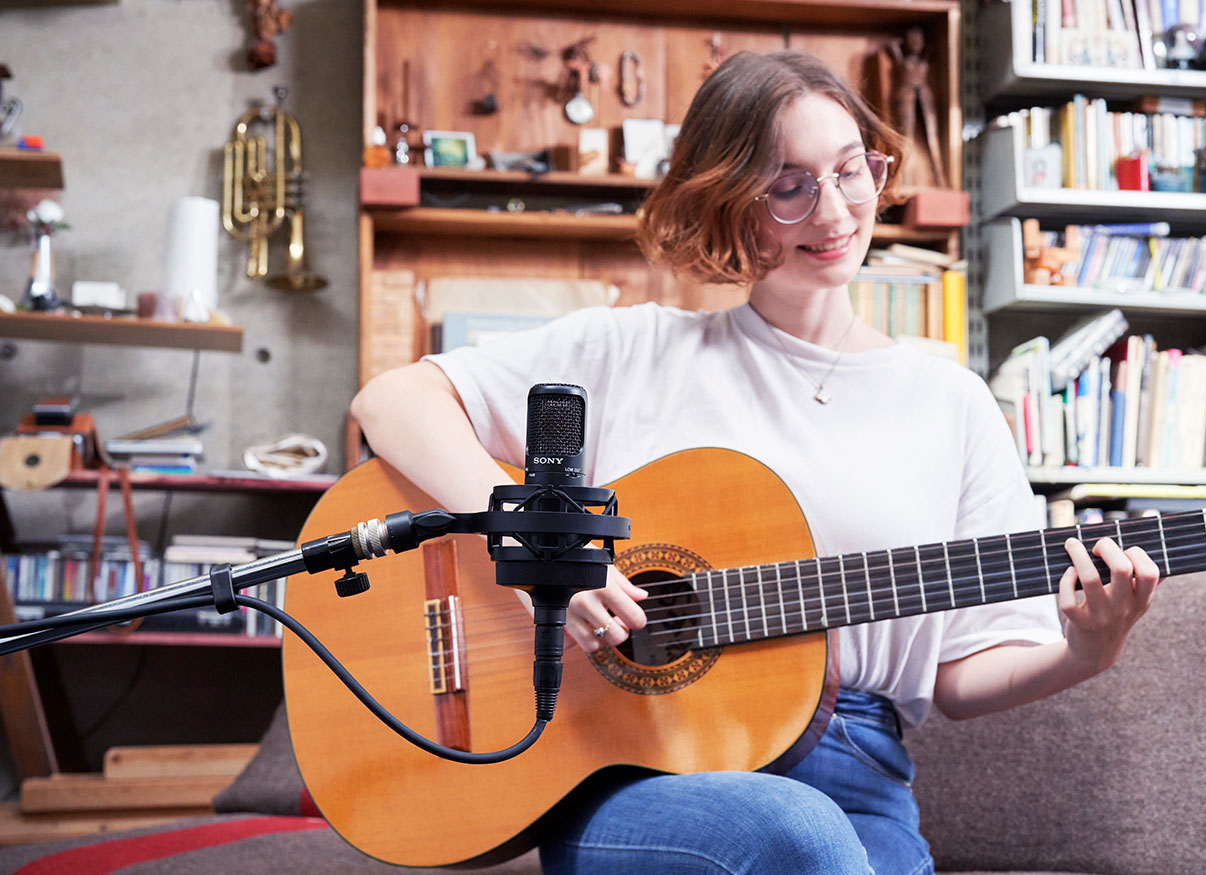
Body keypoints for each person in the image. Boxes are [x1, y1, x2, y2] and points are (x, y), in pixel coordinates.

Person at [350, 49, 1161, 875]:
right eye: (788, 186)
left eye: (852, 170)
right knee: (793, 833)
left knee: (813, 832)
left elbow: (958, 675)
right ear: (726, 200)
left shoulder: (950, 403)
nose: (836, 209)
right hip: (631, 775)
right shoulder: (630, 348)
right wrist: (541, 544)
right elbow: (390, 404)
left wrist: (1085, 652)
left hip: (854, 769)